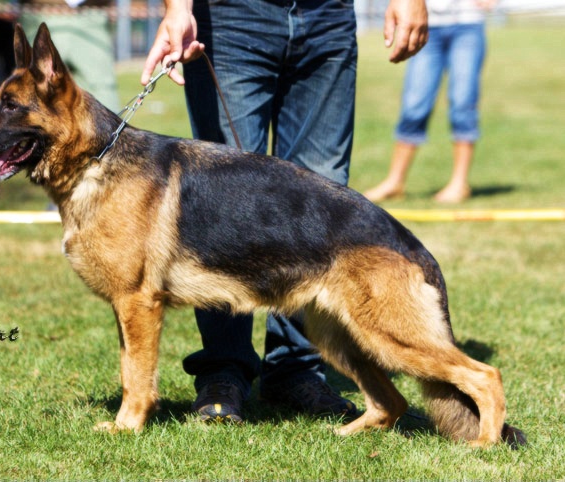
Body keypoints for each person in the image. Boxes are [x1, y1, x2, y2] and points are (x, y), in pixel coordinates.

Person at [141, 0, 428, 423]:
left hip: (328, 16)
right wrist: (177, 8)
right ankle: (224, 371)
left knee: (322, 196)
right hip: (231, 18)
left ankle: (296, 369)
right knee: (225, 206)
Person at [364, 0, 495, 204]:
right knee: (414, 105)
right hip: (426, 24)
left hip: (468, 24)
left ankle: (460, 183)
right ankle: (395, 182)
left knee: (463, 102)